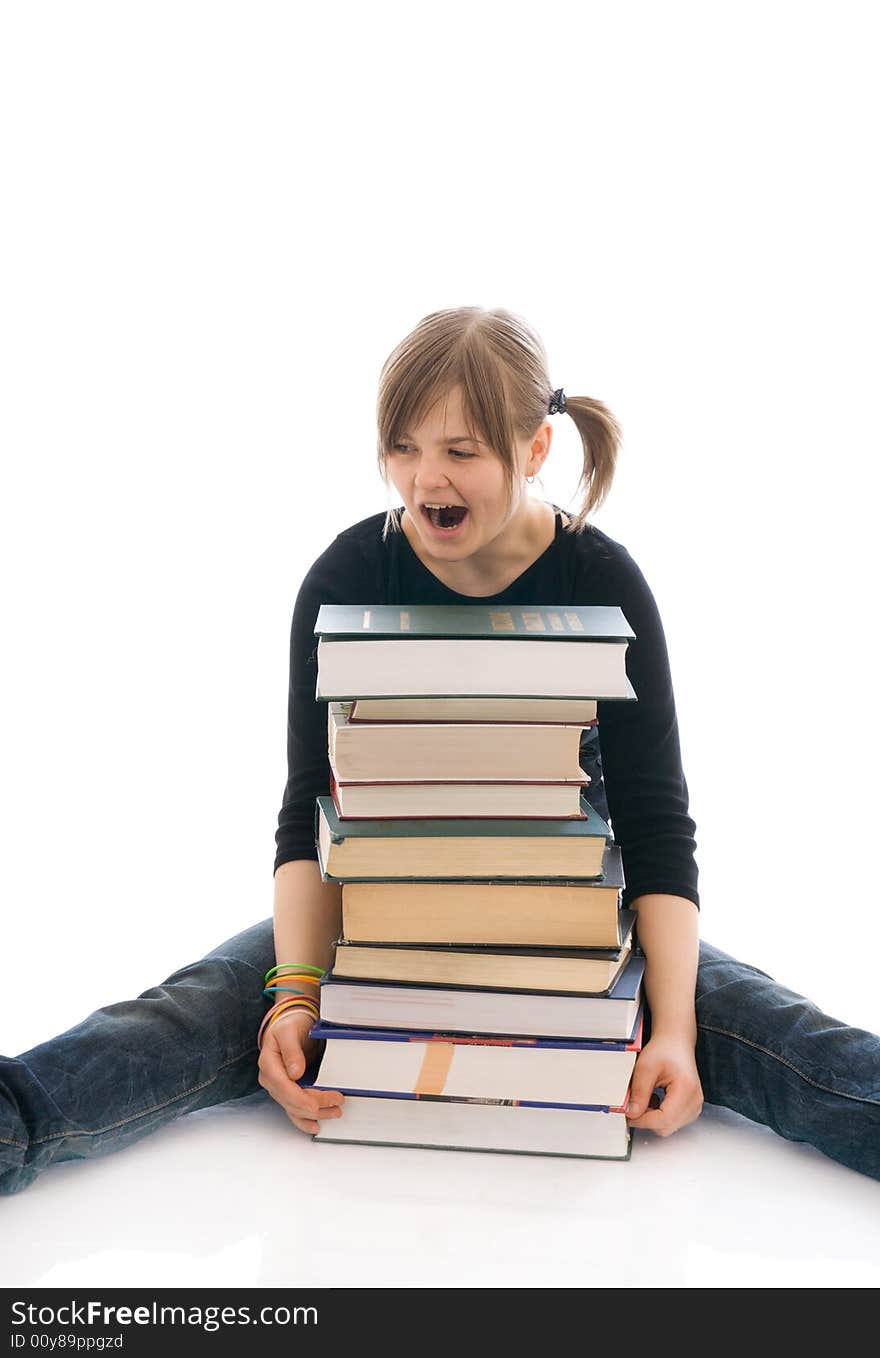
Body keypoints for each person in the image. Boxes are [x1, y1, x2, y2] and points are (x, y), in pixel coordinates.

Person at [2, 306, 878, 1195]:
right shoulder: (345, 576)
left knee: (781, 1036)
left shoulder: (604, 580)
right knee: (187, 1014)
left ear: (534, 449)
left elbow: (658, 827)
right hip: (379, 910)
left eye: (461, 451)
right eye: (404, 447)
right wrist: (299, 992)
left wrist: (676, 1030)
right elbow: (307, 807)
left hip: (571, 919)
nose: (426, 478)